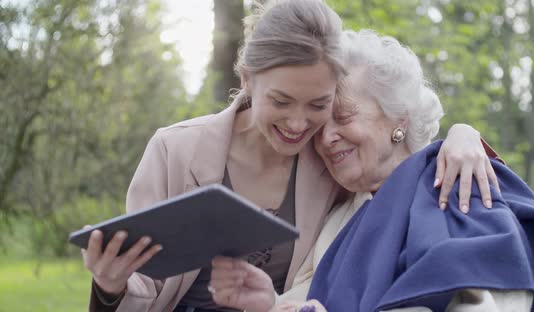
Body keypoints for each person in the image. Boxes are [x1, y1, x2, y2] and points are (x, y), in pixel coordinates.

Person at [81, 1, 503, 311]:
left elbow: (397, 156)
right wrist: (108, 286)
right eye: (282, 101)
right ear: (247, 80)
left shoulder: (329, 164)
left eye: (319, 105)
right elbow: (140, 287)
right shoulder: (176, 150)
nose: (300, 124)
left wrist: (463, 135)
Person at [208, 30, 534, 312]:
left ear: (399, 118)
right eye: (320, 126)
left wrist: (463, 131)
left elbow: (497, 300)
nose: (327, 138)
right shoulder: (341, 217)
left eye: (344, 115)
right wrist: (269, 303)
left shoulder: (456, 183)